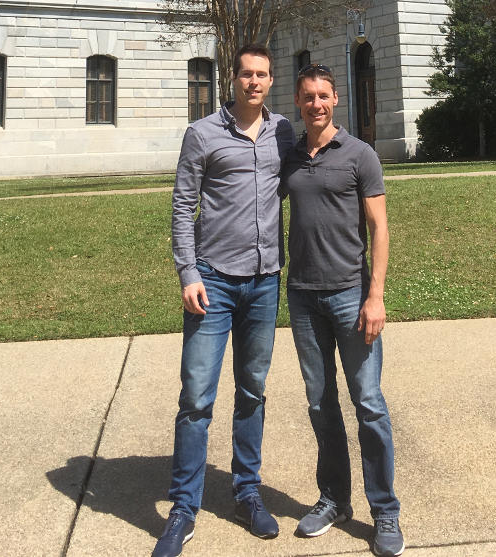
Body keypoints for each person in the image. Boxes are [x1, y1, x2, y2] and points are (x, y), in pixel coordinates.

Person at [153, 44, 295, 557]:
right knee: (196, 398)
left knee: (252, 390)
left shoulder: (283, 133)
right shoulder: (203, 134)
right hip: (211, 283)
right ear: (231, 79)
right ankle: (184, 509)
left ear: (270, 81)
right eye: (246, 74)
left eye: (262, 75)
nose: (254, 82)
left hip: (263, 282)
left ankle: (246, 491)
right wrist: (188, 272)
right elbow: (182, 206)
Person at [281, 64, 404, 557]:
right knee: (320, 404)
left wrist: (375, 296)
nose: (317, 104)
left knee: (368, 402)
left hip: (351, 296)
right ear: (298, 101)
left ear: (336, 100)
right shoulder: (288, 156)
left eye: (324, 96)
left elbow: (380, 229)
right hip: (303, 296)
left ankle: (386, 511)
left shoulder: (360, 155)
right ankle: (334, 499)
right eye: (308, 97)